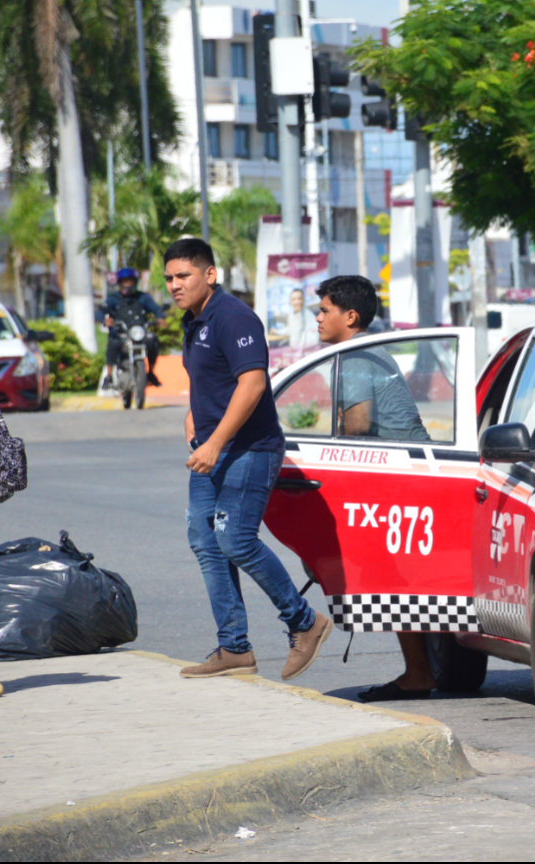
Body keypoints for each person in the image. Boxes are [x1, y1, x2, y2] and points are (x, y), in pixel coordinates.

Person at [165, 238, 332, 680]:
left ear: (210, 275)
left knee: (235, 540)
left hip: (249, 448)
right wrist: (192, 414)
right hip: (212, 447)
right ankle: (234, 647)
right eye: (169, 278)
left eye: (183, 276)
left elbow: (253, 384)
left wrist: (216, 441)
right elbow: (212, 380)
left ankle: (305, 622)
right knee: (205, 541)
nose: (175, 285)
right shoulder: (194, 320)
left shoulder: (234, 316)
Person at [313, 275, 434, 702]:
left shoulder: (356, 358)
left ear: (350, 316)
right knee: (400, 576)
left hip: (401, 478)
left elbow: (358, 426)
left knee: (392, 577)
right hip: (411, 473)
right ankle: (421, 668)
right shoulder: (363, 353)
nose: (318, 317)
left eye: (324, 310)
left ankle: (419, 672)